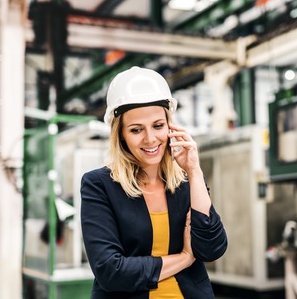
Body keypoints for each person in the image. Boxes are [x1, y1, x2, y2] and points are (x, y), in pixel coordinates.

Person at [80, 66, 228, 299]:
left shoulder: (184, 182)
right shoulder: (99, 185)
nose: (150, 138)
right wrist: (185, 258)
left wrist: (194, 171)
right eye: (136, 129)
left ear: (170, 125)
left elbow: (212, 248)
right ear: (121, 135)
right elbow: (111, 271)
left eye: (158, 126)